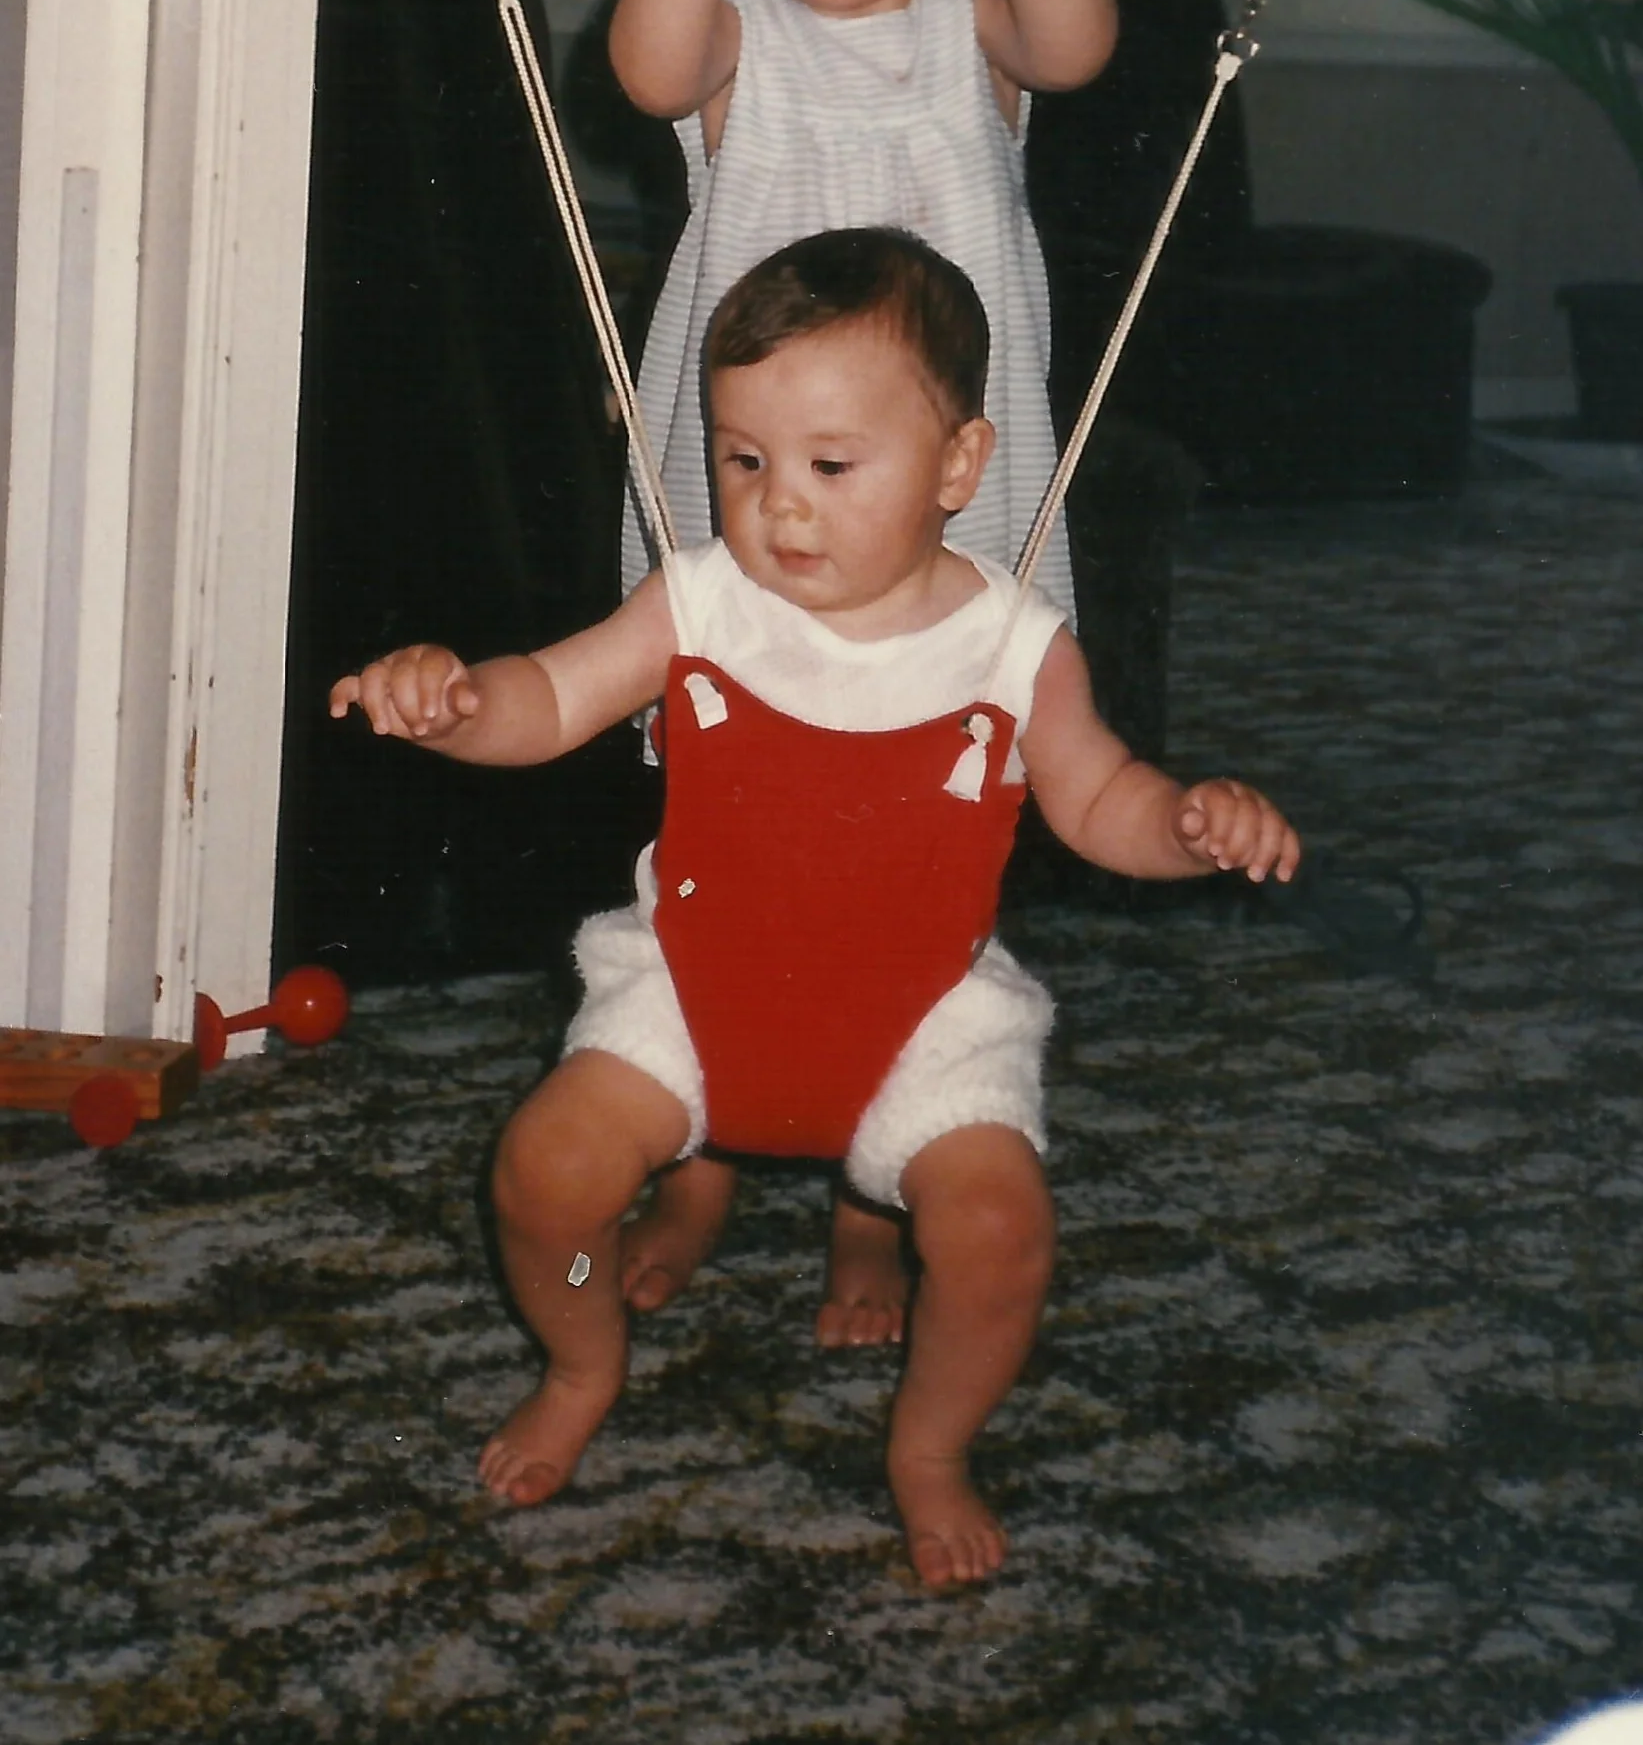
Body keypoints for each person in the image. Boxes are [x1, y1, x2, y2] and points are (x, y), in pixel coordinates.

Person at [331, 228, 1299, 1590]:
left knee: (997, 1225)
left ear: (959, 467)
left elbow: (1100, 802)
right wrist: (453, 702)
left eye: (830, 466)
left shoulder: (1017, 647)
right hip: (695, 975)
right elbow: (546, 699)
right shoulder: (700, 602)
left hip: (919, 1015)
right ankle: (581, 1360)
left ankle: (929, 1444)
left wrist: (1190, 825)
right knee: (544, 1168)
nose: (779, 507)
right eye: (742, 460)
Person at [606, 0, 1120, 1334]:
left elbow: (1081, 43)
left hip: (952, 501)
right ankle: (694, 1136)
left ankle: (874, 1185)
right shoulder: (733, 17)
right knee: (733, 824)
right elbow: (645, 74)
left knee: (921, 830)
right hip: (752, 508)